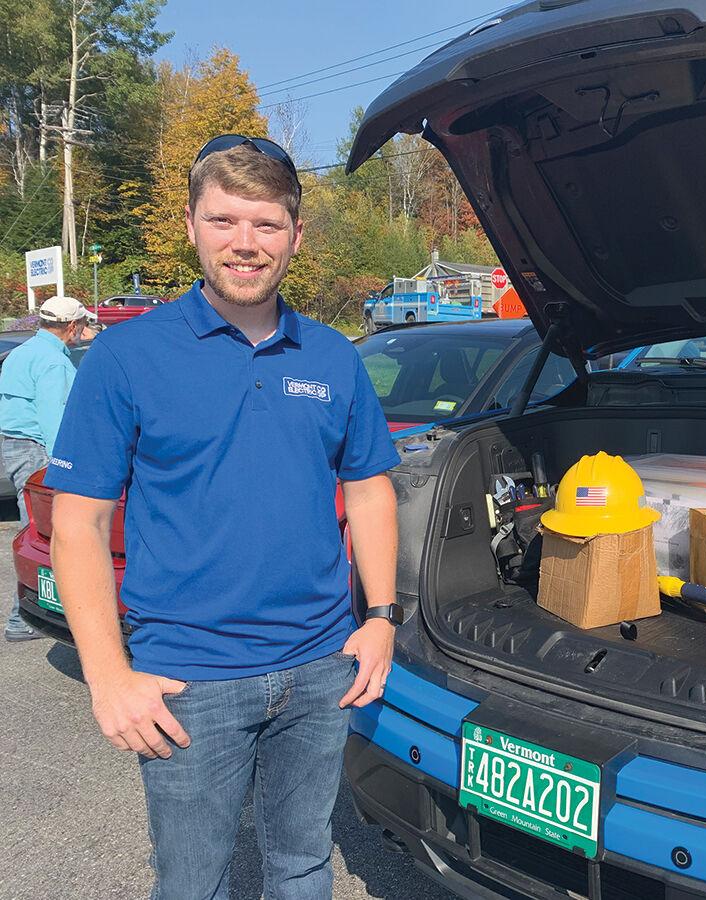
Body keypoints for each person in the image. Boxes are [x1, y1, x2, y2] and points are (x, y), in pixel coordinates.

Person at [46, 135, 402, 899]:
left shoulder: (334, 357)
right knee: (194, 882)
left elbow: (371, 490)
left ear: (296, 235)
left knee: (304, 867)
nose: (246, 243)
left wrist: (381, 617)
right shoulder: (128, 356)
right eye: (224, 221)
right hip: (187, 679)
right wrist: (108, 677)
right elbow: (77, 524)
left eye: (267, 224)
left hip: (319, 668)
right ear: (190, 226)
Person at [0, 294, 91, 641]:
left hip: (14, 446)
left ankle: (28, 614)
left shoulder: (21, 353)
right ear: (71, 326)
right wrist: (62, 469)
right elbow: (57, 422)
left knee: (33, 533)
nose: (82, 331)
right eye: (81, 324)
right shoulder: (54, 363)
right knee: (43, 536)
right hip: (38, 451)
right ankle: (21, 618)